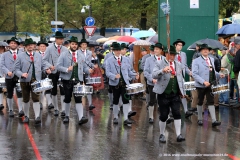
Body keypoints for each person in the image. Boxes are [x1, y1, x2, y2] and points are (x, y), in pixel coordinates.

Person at [152, 46, 185, 143]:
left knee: (177, 113)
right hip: (163, 93)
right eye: (170, 54)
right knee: (164, 115)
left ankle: (178, 134)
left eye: (173, 54)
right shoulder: (159, 63)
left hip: (174, 94)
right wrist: (162, 70)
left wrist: (183, 92)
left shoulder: (178, 64)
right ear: (166, 54)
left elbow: (180, 79)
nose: (171, 56)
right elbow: (153, 75)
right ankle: (162, 134)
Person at [57, 36, 93, 124]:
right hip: (67, 79)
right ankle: (66, 116)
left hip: (78, 80)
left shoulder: (80, 55)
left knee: (78, 99)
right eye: (73, 44)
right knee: (67, 98)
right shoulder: (64, 54)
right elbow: (58, 66)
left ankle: (81, 118)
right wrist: (66, 69)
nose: (74, 45)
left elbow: (84, 67)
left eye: (76, 44)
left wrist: (89, 70)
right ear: (70, 44)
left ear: (78, 46)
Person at [15, 38, 51, 124]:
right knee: (26, 99)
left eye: (31, 45)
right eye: (28, 45)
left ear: (34, 46)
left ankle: (37, 116)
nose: (30, 46)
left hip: (36, 81)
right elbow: (16, 69)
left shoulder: (38, 55)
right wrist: (21, 74)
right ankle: (26, 116)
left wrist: (46, 69)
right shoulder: (20, 56)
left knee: (36, 99)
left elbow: (42, 65)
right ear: (25, 47)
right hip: (25, 81)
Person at [106, 43, 139, 125]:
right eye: (116, 50)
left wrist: (135, 76)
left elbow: (129, 71)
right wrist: (114, 76)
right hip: (115, 84)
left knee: (126, 100)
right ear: (113, 51)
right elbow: (107, 72)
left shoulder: (126, 59)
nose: (117, 51)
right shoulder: (109, 60)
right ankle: (115, 117)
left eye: (118, 50)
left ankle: (126, 118)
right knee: (115, 101)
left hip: (125, 83)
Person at [192, 44, 224, 127]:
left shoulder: (211, 59)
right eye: (203, 49)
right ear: (201, 51)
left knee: (211, 101)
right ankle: (199, 119)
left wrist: (218, 75)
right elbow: (194, 74)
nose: (205, 51)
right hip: (201, 85)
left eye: (207, 49)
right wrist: (203, 82)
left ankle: (214, 120)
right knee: (200, 101)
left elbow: (212, 71)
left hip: (210, 84)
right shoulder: (196, 61)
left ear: (209, 51)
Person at [43, 31, 68, 117]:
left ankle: (63, 109)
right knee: (53, 91)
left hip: (62, 72)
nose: (62, 40)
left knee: (63, 91)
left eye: (62, 39)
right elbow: (44, 60)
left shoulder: (65, 49)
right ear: (56, 39)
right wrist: (50, 66)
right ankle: (56, 109)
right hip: (53, 72)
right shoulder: (49, 48)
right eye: (60, 39)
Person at [0, 37, 23, 117]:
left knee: (20, 93)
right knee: (9, 93)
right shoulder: (4, 54)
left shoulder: (22, 53)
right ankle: (10, 110)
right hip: (9, 76)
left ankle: (20, 110)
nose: (13, 44)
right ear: (9, 44)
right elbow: (2, 65)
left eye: (15, 43)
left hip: (19, 76)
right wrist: (7, 72)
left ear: (17, 45)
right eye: (11, 43)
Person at [144, 43, 165, 123]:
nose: (155, 50)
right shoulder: (148, 60)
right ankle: (151, 117)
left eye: (157, 49)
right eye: (155, 49)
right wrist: (152, 79)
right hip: (152, 83)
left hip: (162, 83)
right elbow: (146, 72)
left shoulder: (164, 59)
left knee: (163, 100)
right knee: (152, 100)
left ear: (161, 50)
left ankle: (164, 115)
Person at [173, 39, 193, 118]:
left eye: (181, 45)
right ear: (175, 45)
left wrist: (189, 72)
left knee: (183, 93)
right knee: (174, 94)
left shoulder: (183, 54)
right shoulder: (172, 53)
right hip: (174, 76)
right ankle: (172, 111)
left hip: (182, 76)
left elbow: (184, 65)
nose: (180, 47)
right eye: (179, 45)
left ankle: (186, 111)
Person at [78, 39, 96, 110]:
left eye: (85, 44)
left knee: (88, 87)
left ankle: (90, 103)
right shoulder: (77, 52)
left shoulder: (89, 52)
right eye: (83, 44)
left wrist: (93, 66)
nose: (84, 46)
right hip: (80, 71)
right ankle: (79, 102)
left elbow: (89, 62)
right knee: (80, 87)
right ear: (80, 45)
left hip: (88, 71)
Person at [120, 43, 136, 118]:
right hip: (118, 80)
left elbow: (130, 68)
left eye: (126, 49)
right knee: (119, 96)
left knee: (128, 95)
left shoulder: (128, 58)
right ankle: (120, 106)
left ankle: (129, 110)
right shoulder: (112, 57)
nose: (125, 50)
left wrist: (134, 74)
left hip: (127, 79)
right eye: (123, 49)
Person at [102, 42, 117, 109]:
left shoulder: (121, 55)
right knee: (111, 89)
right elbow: (104, 64)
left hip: (118, 75)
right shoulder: (108, 55)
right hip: (110, 75)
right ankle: (111, 103)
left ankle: (118, 103)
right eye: (113, 47)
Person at [37, 40, 49, 109]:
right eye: (41, 46)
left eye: (44, 46)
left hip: (48, 72)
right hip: (39, 73)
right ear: (38, 47)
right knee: (40, 88)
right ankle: (40, 102)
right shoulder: (36, 54)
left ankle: (49, 102)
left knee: (47, 89)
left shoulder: (48, 54)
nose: (42, 48)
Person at [0, 42, 7, 109]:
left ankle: (0, 103)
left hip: (2, 74)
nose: (1, 49)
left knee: (1, 89)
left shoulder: (5, 55)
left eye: (2, 48)